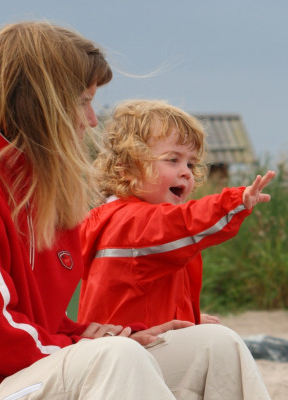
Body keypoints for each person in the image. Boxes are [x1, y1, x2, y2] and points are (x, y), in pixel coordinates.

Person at [0, 22, 270, 399]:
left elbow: (44, 326)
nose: (90, 119)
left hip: (27, 376)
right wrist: (96, 349)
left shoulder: (45, 195)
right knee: (114, 358)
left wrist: (109, 335)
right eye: (83, 101)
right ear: (40, 101)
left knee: (214, 345)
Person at [78, 99, 276, 330]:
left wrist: (191, 317)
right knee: (221, 342)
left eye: (191, 164)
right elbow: (186, 223)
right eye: (173, 160)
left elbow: (149, 298)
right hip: (130, 349)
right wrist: (234, 201)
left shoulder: (111, 219)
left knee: (212, 335)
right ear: (127, 168)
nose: (186, 173)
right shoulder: (132, 223)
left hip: (130, 339)